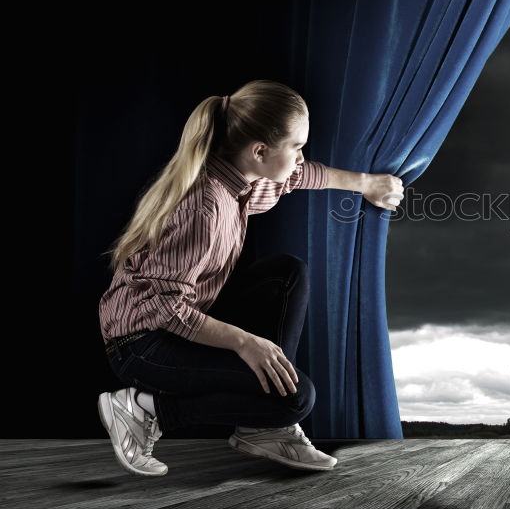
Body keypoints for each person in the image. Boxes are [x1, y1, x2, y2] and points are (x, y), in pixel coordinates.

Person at [96, 79, 404, 477]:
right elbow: (164, 307)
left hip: (176, 318)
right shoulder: (206, 209)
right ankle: (144, 410)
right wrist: (245, 343)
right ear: (259, 151)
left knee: (286, 274)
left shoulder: (242, 181)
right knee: (295, 399)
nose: (301, 156)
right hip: (140, 343)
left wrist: (366, 184)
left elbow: (297, 175)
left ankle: (264, 425)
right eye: (296, 146)